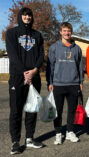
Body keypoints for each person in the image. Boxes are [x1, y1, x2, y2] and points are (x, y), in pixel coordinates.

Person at [6, 7, 44, 154]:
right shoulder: (12, 33)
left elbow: (41, 55)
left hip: (34, 77)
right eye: (25, 15)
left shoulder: (37, 35)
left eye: (29, 15)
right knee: (16, 110)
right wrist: (24, 72)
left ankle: (29, 138)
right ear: (20, 17)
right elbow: (13, 54)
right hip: (17, 77)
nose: (27, 17)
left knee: (32, 109)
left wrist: (34, 70)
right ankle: (15, 142)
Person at [47, 22, 84, 145]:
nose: (67, 33)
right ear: (60, 32)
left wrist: (81, 81)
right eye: (64, 31)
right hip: (58, 84)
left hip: (73, 84)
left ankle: (69, 131)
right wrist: (50, 81)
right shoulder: (54, 47)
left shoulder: (77, 48)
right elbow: (50, 66)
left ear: (71, 32)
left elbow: (79, 66)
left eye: (69, 31)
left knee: (72, 110)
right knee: (58, 110)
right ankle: (58, 133)